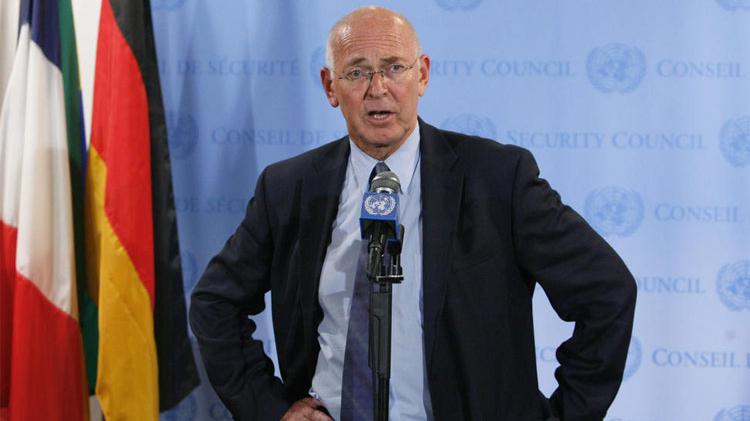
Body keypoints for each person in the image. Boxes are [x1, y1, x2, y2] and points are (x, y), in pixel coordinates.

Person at [189, 6, 636, 421]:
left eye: (394, 68)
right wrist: (271, 409)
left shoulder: (499, 178)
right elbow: (215, 303)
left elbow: (607, 291)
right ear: (330, 87)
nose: (377, 89)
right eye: (356, 72)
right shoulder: (289, 187)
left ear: (422, 74)